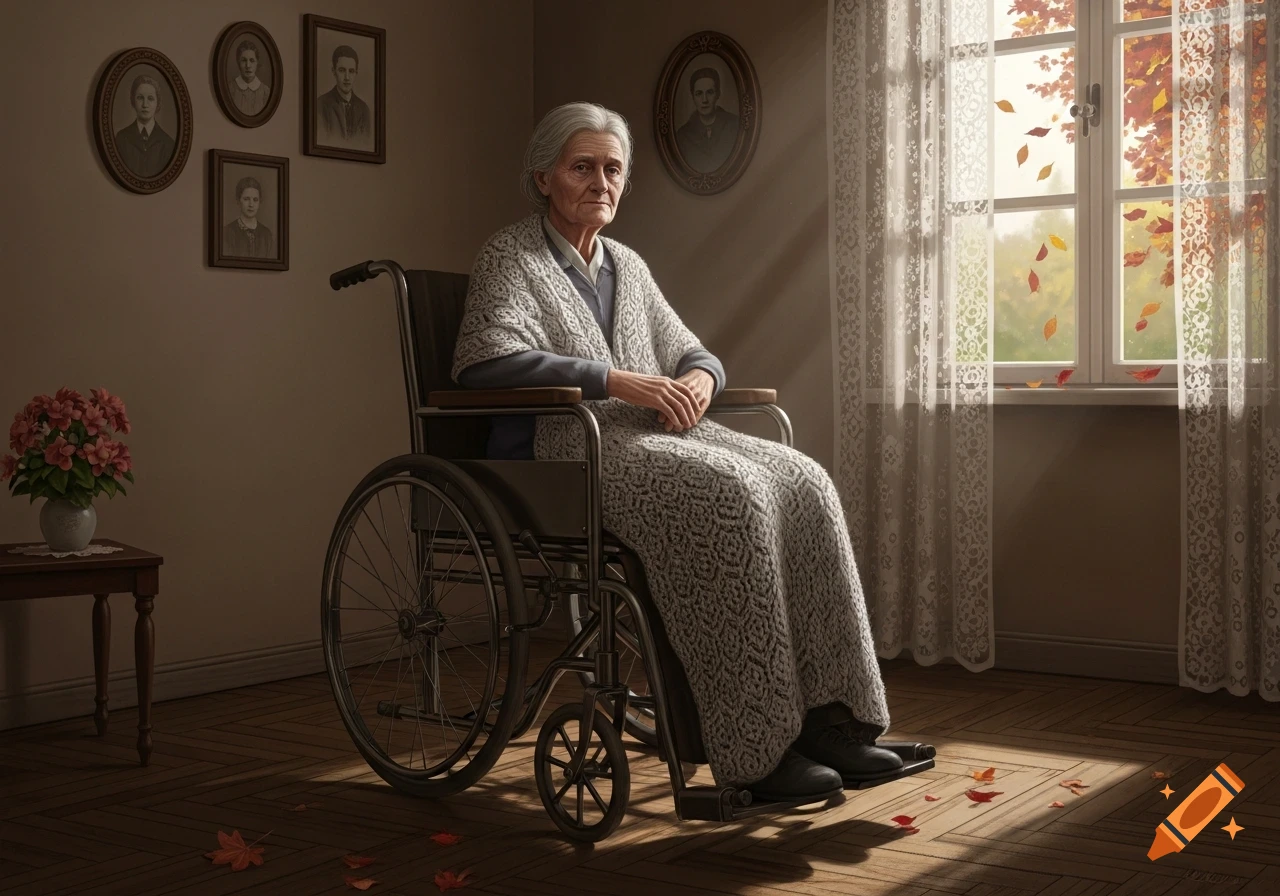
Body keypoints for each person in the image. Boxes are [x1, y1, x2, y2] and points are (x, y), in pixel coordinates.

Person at [452, 103, 903, 802]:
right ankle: (760, 745)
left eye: (612, 169)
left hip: (648, 438)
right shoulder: (509, 256)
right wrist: (612, 378)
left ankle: (830, 720)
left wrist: (699, 376)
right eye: (582, 167)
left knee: (805, 480)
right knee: (732, 494)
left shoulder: (626, 265)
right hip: (567, 449)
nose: (600, 182)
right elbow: (485, 359)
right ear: (543, 176)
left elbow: (689, 347)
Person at [674, 67, 739, 172]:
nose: (704, 100)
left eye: (709, 92)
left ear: (718, 94)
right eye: (699, 93)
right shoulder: (683, 136)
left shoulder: (735, 125)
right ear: (693, 97)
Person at [113, 73, 175, 178]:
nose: (145, 104)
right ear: (133, 101)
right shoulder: (121, 138)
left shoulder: (168, 143)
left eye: (150, 98)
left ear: (157, 103)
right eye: (140, 98)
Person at [317, 44, 370, 144]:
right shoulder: (321, 104)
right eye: (342, 70)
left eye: (351, 71)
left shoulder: (364, 109)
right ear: (333, 71)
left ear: (356, 73)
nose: (347, 77)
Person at [221, 176, 274, 258]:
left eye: (255, 200)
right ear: (238, 201)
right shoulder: (227, 232)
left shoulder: (266, 235)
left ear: (259, 202)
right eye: (246, 199)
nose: (251, 204)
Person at [231, 39, 270, 116]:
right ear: (238, 63)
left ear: (257, 63)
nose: (248, 65)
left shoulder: (266, 92)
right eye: (243, 60)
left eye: (252, 60)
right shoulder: (230, 89)